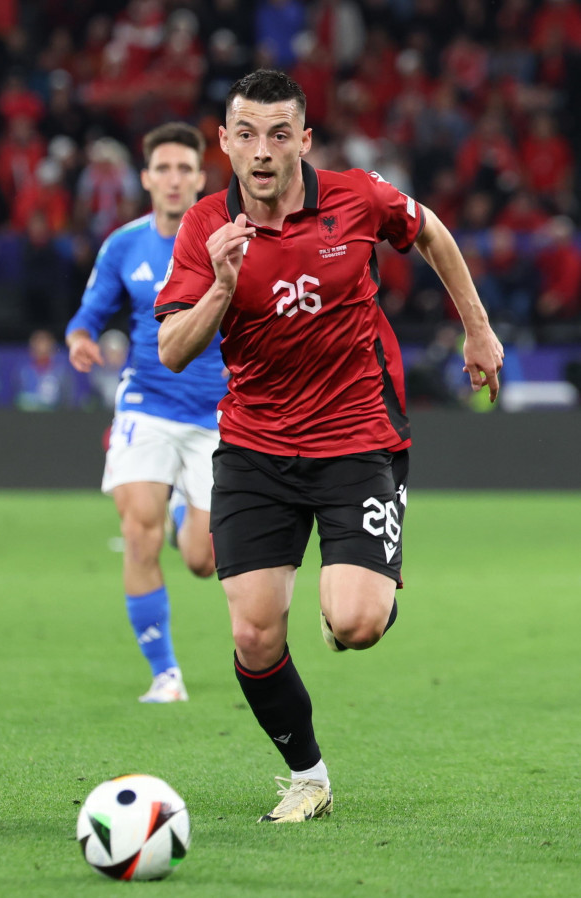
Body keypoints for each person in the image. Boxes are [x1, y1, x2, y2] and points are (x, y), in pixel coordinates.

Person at [155, 70, 504, 822]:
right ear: (224, 142)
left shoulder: (357, 197)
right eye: (246, 133)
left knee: (357, 624)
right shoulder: (202, 230)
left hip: (355, 437)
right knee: (252, 632)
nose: (262, 150)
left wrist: (476, 325)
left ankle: (356, 595)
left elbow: (433, 233)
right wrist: (220, 285)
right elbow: (172, 349)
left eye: (280, 134)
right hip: (254, 444)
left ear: (304, 142)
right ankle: (309, 775)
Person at [65, 122, 227, 704]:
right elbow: (88, 314)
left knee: (204, 560)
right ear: (146, 178)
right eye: (164, 168)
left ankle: (185, 501)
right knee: (138, 535)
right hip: (146, 404)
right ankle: (165, 674)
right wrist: (80, 338)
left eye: (186, 168)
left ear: (202, 178)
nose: (175, 179)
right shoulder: (123, 245)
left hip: (217, 414)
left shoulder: (228, 240)